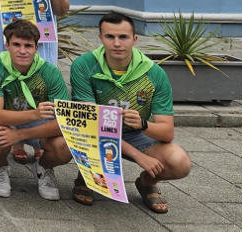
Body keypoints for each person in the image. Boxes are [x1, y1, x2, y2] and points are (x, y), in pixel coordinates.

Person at [69, 12, 190, 213]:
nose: (117, 43)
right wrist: (138, 156)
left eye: (123, 37)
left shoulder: (154, 73)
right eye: (110, 37)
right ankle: (86, 176)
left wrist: (143, 124)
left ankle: (146, 183)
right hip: (95, 132)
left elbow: (167, 132)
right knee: (62, 141)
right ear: (100, 38)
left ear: (135, 39)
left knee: (180, 162)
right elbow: (88, 122)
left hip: (135, 135)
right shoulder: (84, 66)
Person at [0, 19, 71, 200]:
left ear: (37, 48)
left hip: (39, 127)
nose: (22, 51)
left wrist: (21, 136)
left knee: (66, 145)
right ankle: (1, 167)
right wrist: (34, 113)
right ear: (6, 45)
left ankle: (44, 167)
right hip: (9, 123)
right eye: (16, 44)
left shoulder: (49, 72)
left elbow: (65, 120)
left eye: (28, 46)